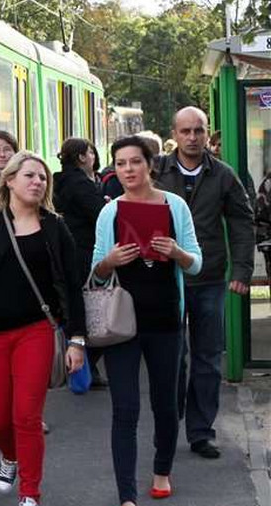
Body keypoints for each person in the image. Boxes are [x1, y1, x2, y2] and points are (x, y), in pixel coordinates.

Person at [0, 150, 86, 506]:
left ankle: (30, 493)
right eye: (29, 175)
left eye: (42, 177)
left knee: (26, 416)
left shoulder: (55, 228)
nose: (37, 182)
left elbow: (73, 287)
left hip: (36, 331)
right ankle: (8, 456)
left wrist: (76, 340)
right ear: (9, 180)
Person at [91, 135, 202, 506]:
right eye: (120, 164)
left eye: (134, 162)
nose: (127, 170)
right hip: (120, 322)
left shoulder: (176, 207)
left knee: (166, 404)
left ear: (149, 165)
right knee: (125, 408)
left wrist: (176, 252)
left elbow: (196, 261)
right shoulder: (111, 212)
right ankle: (127, 495)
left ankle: (161, 471)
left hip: (166, 319)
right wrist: (111, 262)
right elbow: (96, 269)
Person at [154, 106, 255, 459]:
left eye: (199, 131)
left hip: (209, 277)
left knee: (208, 357)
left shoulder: (224, 175)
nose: (193, 137)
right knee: (172, 355)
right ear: (175, 134)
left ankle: (201, 432)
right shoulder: (156, 171)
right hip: (164, 278)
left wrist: (242, 272)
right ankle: (172, 417)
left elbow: (243, 224)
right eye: (186, 131)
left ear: (207, 132)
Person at [53, 137, 108, 386]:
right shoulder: (81, 184)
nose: (94, 157)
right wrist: (105, 204)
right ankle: (84, 362)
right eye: (91, 153)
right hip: (84, 250)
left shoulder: (59, 180)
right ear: (82, 157)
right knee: (94, 307)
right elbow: (98, 215)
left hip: (67, 249)